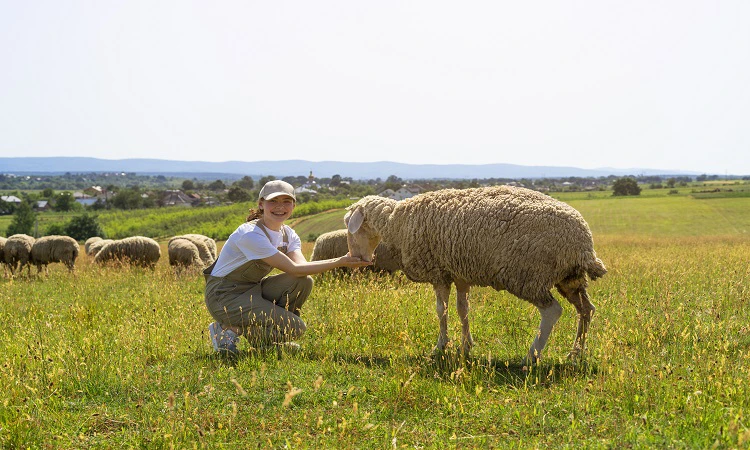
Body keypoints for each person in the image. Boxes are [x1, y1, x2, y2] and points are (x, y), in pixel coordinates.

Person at [204, 180, 370, 354]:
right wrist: (340, 261)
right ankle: (228, 330)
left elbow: (301, 268)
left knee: (303, 282)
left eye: (286, 201)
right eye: (273, 201)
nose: (280, 207)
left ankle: (266, 341)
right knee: (295, 328)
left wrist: (349, 257)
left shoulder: (288, 234)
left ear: (293, 205)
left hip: (252, 291)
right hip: (224, 296)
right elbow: (293, 268)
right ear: (261, 204)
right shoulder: (250, 234)